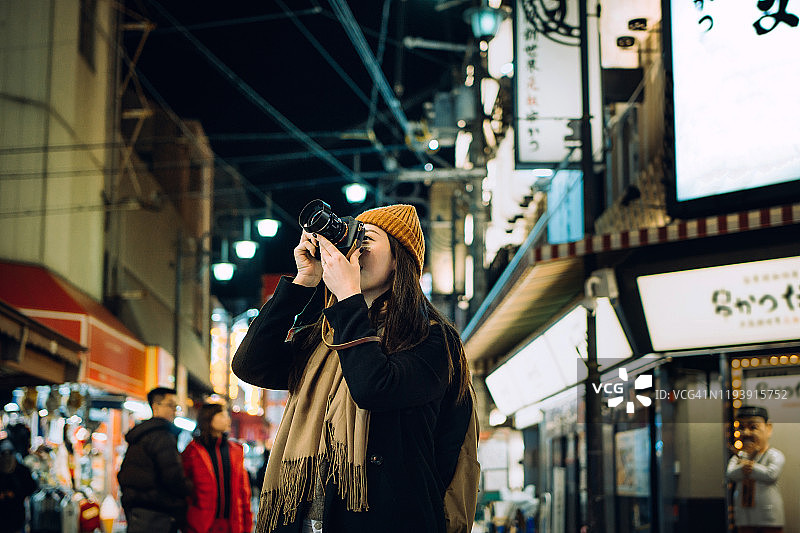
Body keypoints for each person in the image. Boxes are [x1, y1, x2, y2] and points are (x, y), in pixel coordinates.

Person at [231, 203, 480, 533]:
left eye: (367, 241)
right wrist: (305, 280)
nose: (354, 251)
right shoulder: (326, 333)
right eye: (350, 241)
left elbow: (373, 387)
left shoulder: (431, 337)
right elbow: (250, 365)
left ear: (397, 262)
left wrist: (348, 295)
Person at [117, 387, 190, 533]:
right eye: (170, 405)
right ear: (156, 406)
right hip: (157, 514)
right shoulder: (162, 436)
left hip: (138, 511)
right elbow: (173, 477)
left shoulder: (142, 435)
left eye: (176, 406)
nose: (174, 411)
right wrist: (190, 488)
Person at [182, 401, 253, 533]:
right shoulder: (192, 451)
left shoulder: (236, 451)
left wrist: (247, 525)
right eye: (222, 415)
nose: (227, 419)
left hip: (232, 525)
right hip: (201, 525)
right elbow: (184, 490)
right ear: (208, 418)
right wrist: (190, 520)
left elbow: (244, 492)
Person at [726, 405, 785, 533]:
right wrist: (744, 468)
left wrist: (751, 468)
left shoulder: (774, 455)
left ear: (768, 428)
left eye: (753, 427)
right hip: (745, 514)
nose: (746, 433)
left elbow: (771, 474)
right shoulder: (739, 456)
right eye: (741, 428)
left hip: (768, 514)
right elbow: (730, 474)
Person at [0, 437, 37, 533]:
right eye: (4, 454)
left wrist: (15, 494)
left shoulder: (22, 471)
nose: (7, 458)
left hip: (16, 515)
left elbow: (31, 487)